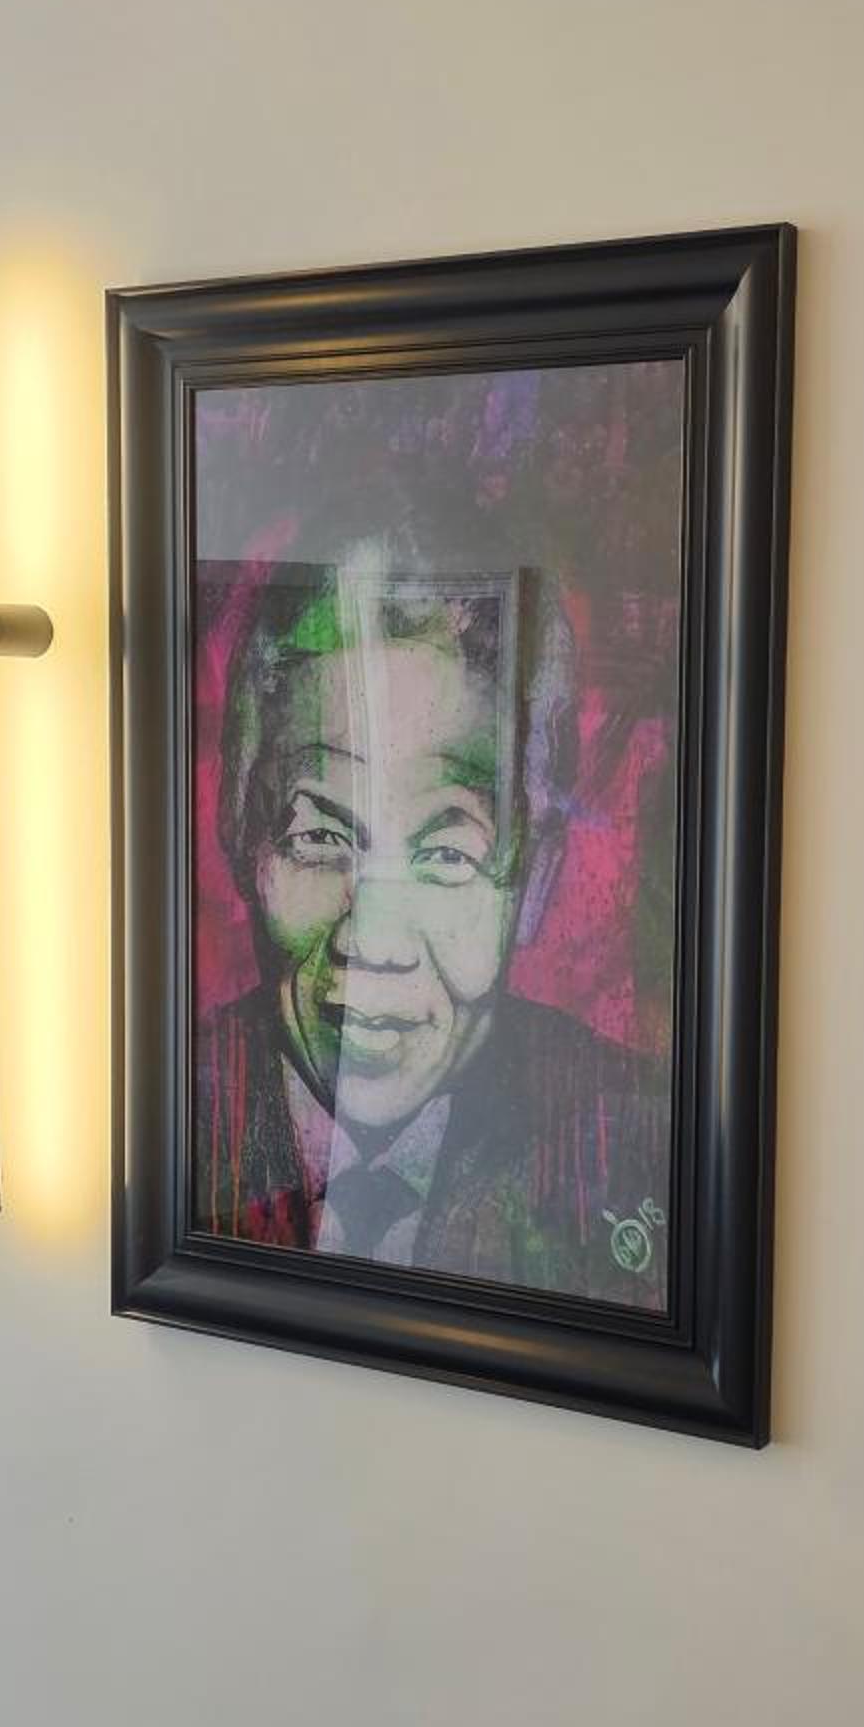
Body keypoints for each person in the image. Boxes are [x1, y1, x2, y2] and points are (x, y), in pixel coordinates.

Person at [192, 475, 669, 1309]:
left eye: (447, 854)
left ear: (537, 872)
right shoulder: (165, 1113)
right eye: (319, 838)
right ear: (243, 837)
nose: (374, 940)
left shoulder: (634, 1133)